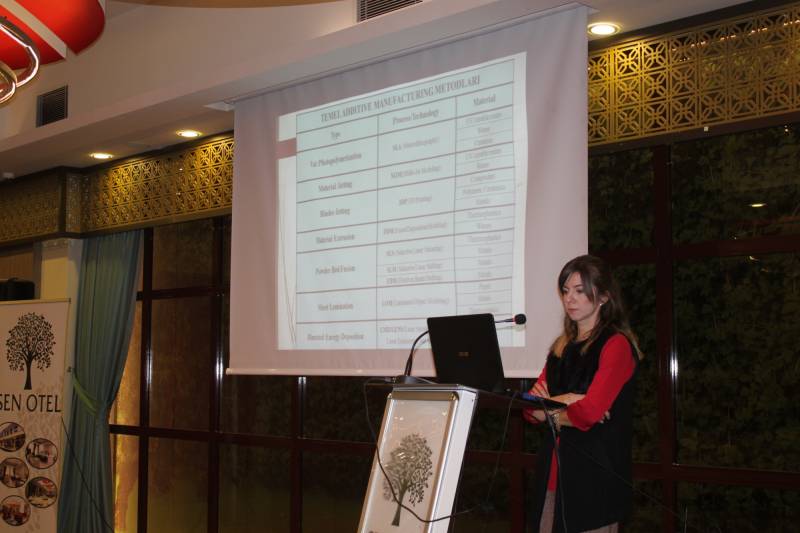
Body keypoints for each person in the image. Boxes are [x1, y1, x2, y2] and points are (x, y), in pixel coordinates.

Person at [523, 255, 643, 533]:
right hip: (553, 476)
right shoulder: (560, 347)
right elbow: (529, 408)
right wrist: (568, 402)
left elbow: (588, 413)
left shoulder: (616, 345)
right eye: (565, 291)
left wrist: (549, 410)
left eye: (579, 290)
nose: (570, 299)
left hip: (595, 482)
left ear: (603, 297)